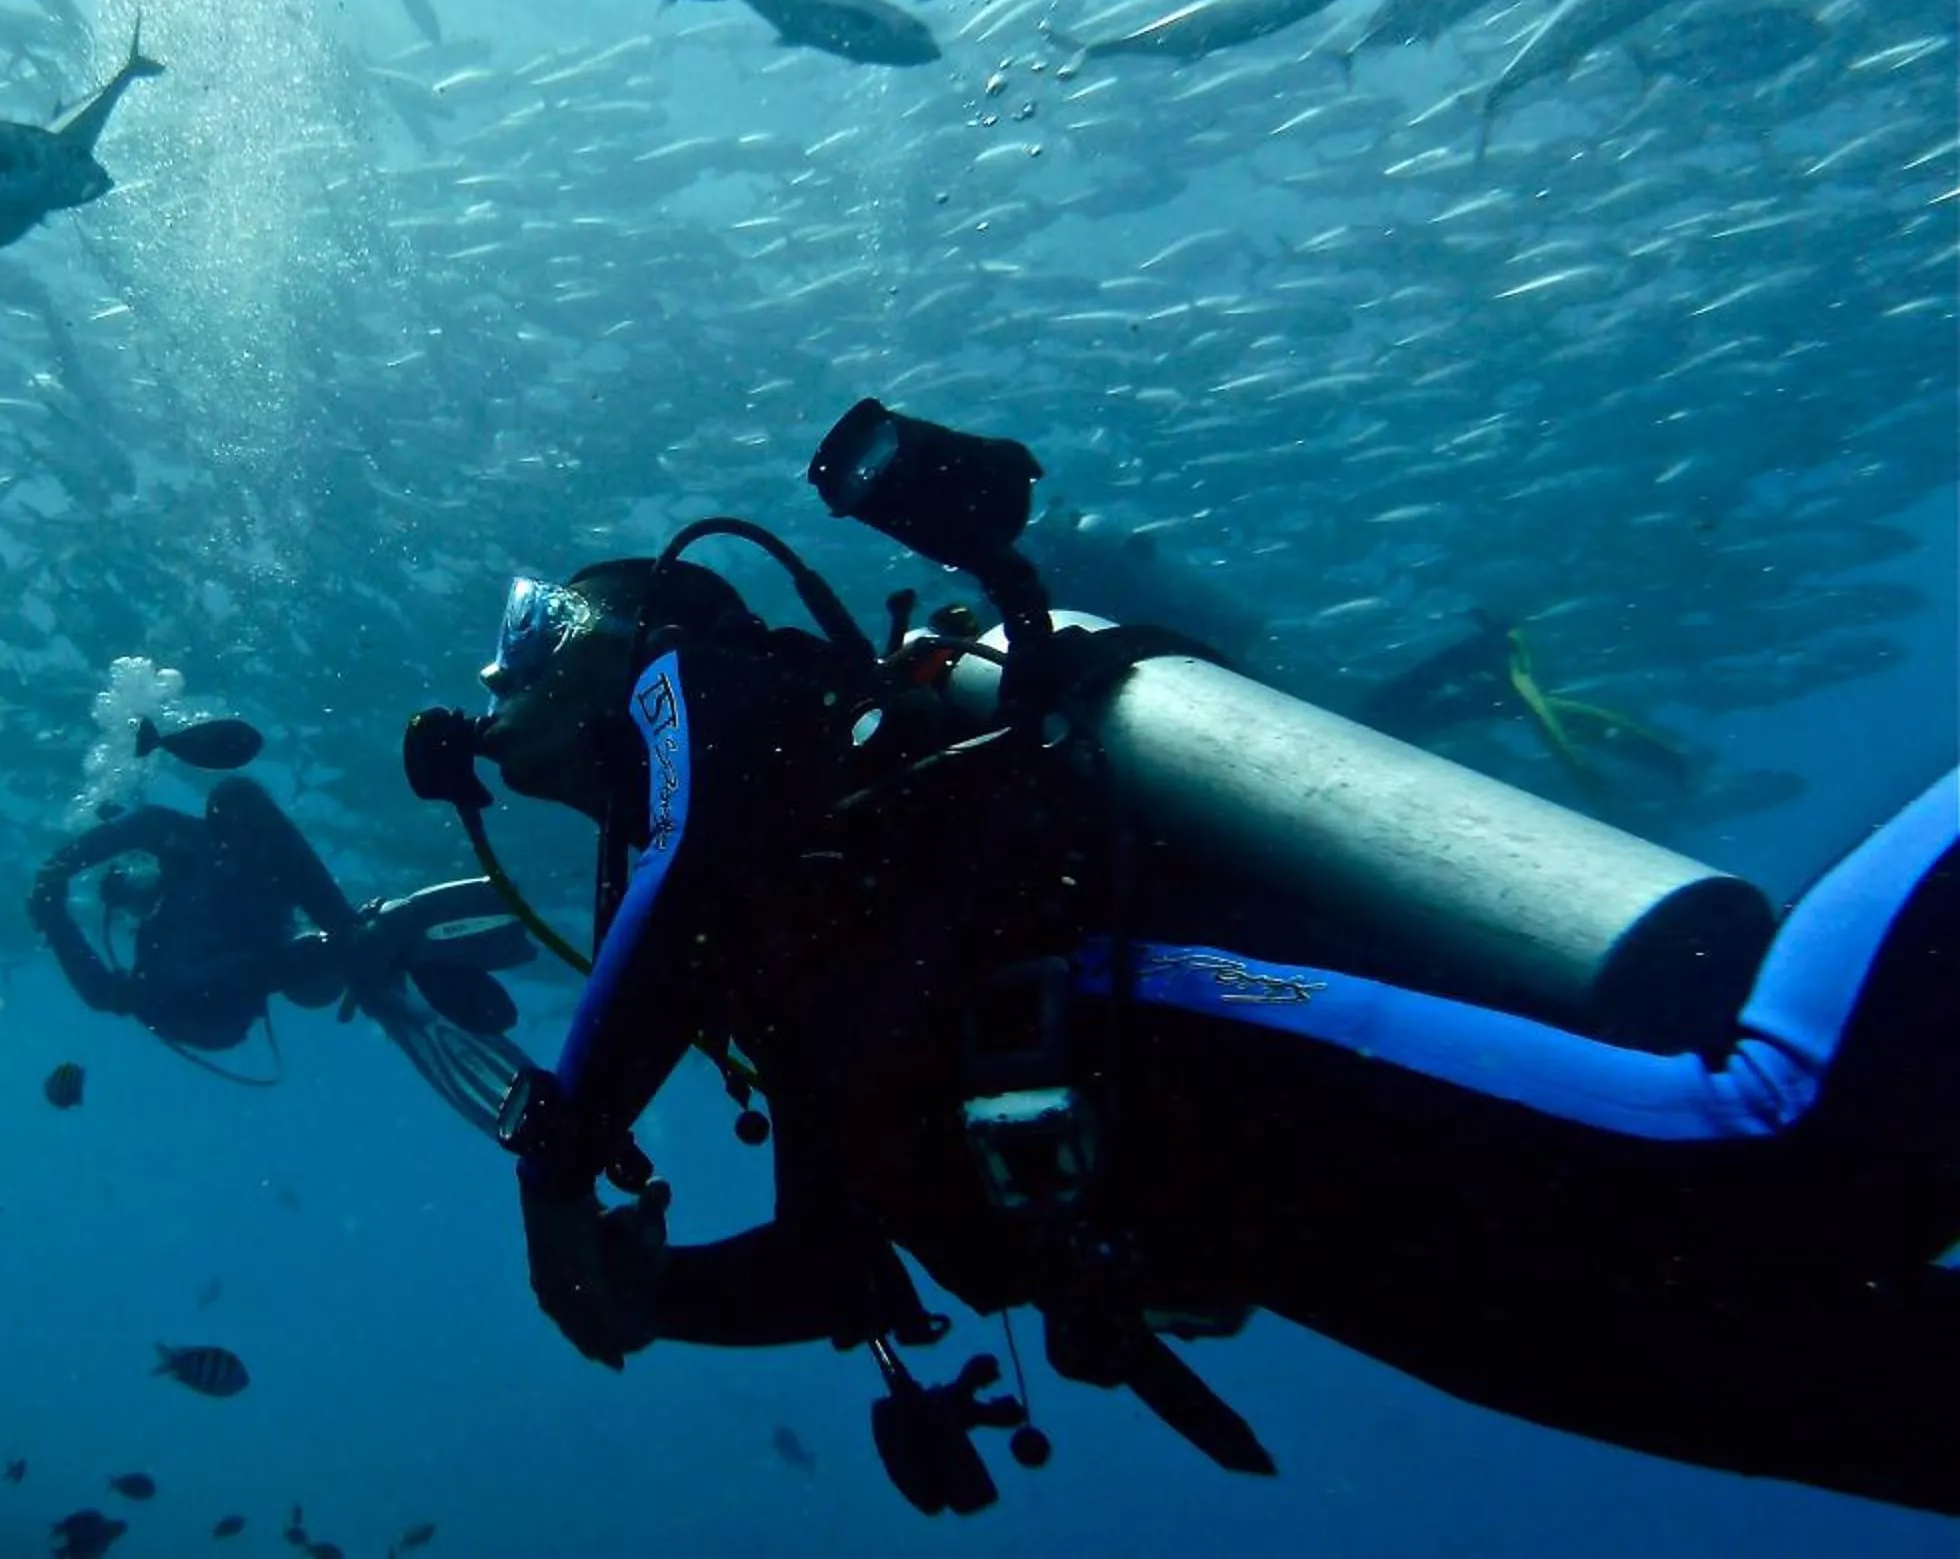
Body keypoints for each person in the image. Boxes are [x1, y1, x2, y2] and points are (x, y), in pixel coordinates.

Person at [401, 400, 1958, 1520]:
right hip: (1280, 1235)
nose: (493, 669)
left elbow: (683, 852)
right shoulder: (772, 940)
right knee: (1847, 1400)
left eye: (537, 629)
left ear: (636, 637)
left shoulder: (712, 690)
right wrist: (653, 1294)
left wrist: (556, 1164)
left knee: (1776, 1142)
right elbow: (841, 1258)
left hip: (1219, 1029)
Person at [29, 775, 538, 1127]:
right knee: (234, 800)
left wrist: (61, 874)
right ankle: (351, 941)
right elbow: (108, 990)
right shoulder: (171, 919)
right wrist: (58, 895)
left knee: (234, 803)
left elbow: (145, 824)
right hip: (231, 987)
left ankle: (352, 944)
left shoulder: (182, 858)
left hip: (254, 974)